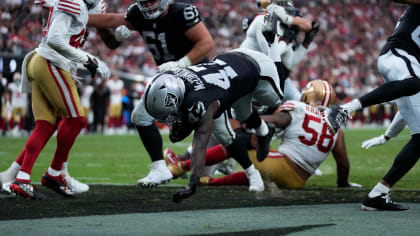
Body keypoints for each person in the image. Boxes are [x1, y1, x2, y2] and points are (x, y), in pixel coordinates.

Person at [87, 0, 214, 187]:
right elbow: (110, 23)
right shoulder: (137, 14)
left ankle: (251, 172)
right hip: (169, 77)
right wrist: (78, 17)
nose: (149, 6)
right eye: (145, 2)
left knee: (219, 129)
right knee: (140, 116)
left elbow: (206, 43)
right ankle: (159, 168)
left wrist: (182, 63)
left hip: (196, 74)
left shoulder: (182, 11)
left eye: (152, 1)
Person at [144, 43, 288, 202]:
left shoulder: (200, 103)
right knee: (239, 118)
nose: (170, 118)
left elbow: (200, 142)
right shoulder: (175, 80)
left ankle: (273, 43)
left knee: (276, 98)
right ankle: (262, 138)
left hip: (260, 69)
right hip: (234, 67)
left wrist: (192, 183)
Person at [0, 0, 110, 200]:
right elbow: (55, 39)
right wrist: (86, 59)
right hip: (50, 62)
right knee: (76, 119)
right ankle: (55, 173)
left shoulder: (79, 7)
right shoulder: (75, 4)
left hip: (42, 61)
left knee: (45, 125)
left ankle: (21, 178)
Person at [164, 80, 360, 189]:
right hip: (298, 181)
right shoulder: (337, 128)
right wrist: (342, 183)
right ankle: (210, 182)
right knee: (260, 169)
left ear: (308, 94)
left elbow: (280, 120)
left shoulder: (298, 107)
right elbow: (343, 163)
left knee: (238, 140)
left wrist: (258, 121)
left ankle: (180, 166)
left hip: (281, 165)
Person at [325, 0, 420, 210]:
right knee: (415, 83)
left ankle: (377, 194)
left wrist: (386, 136)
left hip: (404, 62)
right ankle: (345, 109)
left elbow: (408, 110)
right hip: (399, 54)